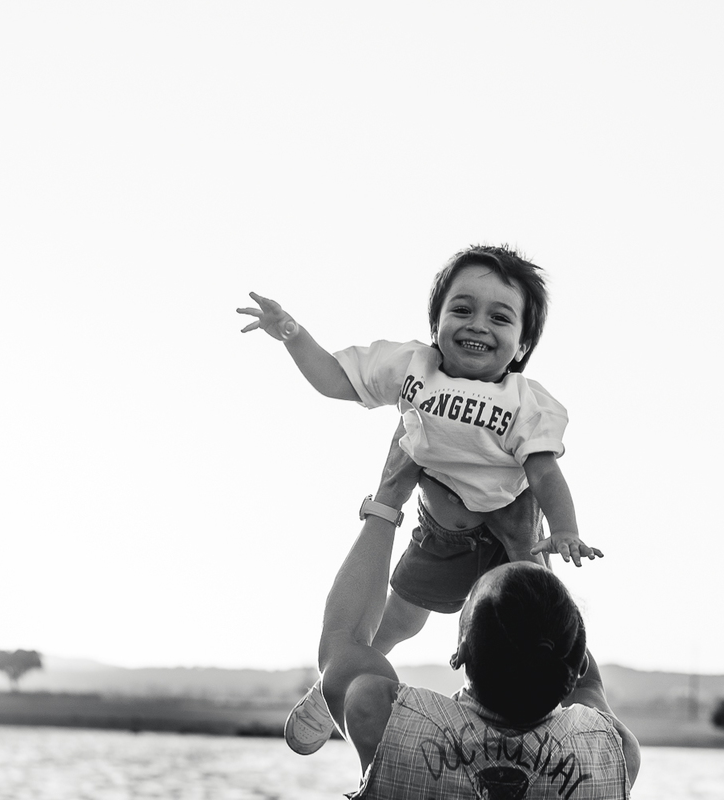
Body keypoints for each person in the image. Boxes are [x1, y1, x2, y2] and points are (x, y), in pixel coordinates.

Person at [238, 246, 603, 753]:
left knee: (543, 633)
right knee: (401, 619)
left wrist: (564, 530)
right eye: (462, 309)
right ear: (436, 323)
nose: (478, 324)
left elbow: (545, 473)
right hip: (442, 536)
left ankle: (562, 725)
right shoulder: (414, 367)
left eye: (500, 317)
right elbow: (337, 379)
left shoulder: (526, 402)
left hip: (513, 542)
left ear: (521, 344)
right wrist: (293, 335)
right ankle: (327, 693)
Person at [318, 426, 639, 797]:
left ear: (459, 653)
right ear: (580, 662)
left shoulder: (379, 716)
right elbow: (586, 686)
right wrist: (523, 545)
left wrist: (388, 497)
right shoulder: (613, 753)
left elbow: (344, 640)